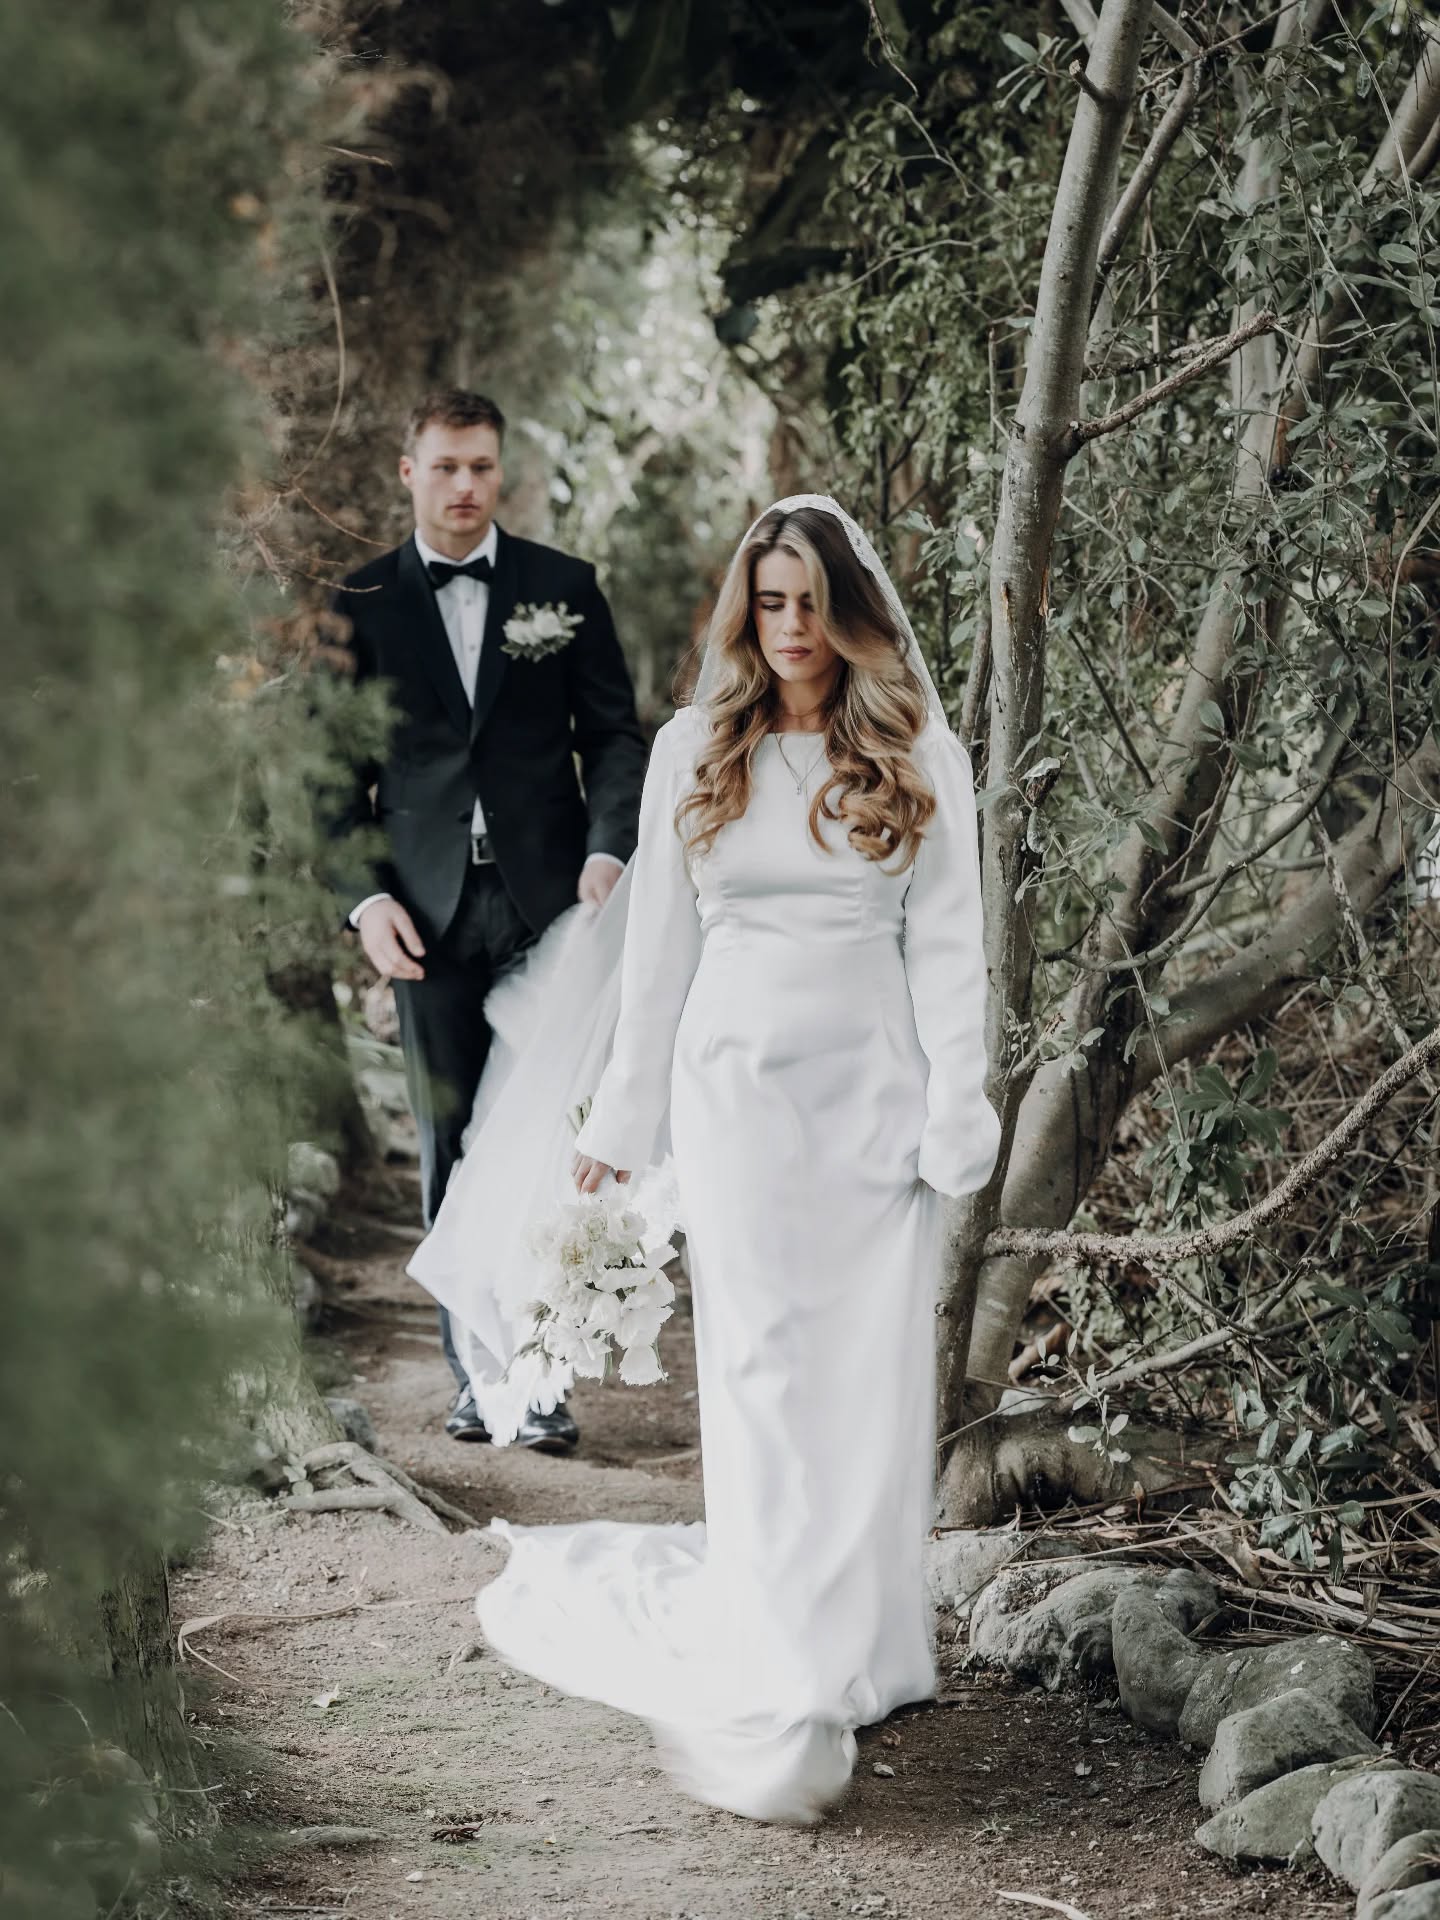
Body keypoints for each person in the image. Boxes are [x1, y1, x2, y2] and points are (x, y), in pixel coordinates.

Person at [417, 494, 1001, 1822]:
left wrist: (956, 1104)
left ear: (850, 610)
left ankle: (864, 1641)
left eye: (812, 602)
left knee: (864, 1373)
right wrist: (620, 1129)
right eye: (771, 603)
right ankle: (774, 1632)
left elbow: (951, 947)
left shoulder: (917, 749)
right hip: (733, 1095)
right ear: (747, 612)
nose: (792, 629)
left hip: (873, 1100)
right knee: (756, 1364)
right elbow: (658, 962)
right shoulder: (696, 748)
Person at [325, 388, 647, 1451]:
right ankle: (479, 1375)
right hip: (425, 924)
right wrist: (365, 906)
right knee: (450, 1141)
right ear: (407, 470)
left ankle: (547, 1374)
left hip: (555, 907)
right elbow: (328, 779)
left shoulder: (564, 588)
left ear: (500, 473)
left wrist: (609, 853)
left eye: (482, 468)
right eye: (447, 466)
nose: (467, 486)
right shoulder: (359, 599)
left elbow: (612, 738)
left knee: (555, 1139)